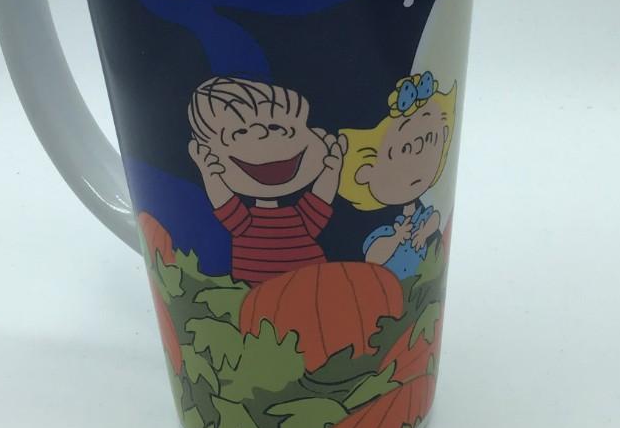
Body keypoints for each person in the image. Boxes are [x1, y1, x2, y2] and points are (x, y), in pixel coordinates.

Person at [188, 76, 346, 284]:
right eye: (240, 132)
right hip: (257, 298)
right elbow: (224, 201)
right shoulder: (244, 224)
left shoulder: (300, 219)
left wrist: (332, 170)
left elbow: (320, 200)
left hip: (314, 290)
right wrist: (209, 175)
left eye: (276, 127)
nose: (264, 136)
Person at [339, 72, 456, 279]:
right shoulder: (383, 223)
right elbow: (373, 256)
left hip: (419, 283)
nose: (417, 159)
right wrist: (396, 237)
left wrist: (424, 232)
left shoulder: (420, 211)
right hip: (383, 286)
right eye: (405, 149)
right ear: (365, 171)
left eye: (431, 138)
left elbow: (435, 218)